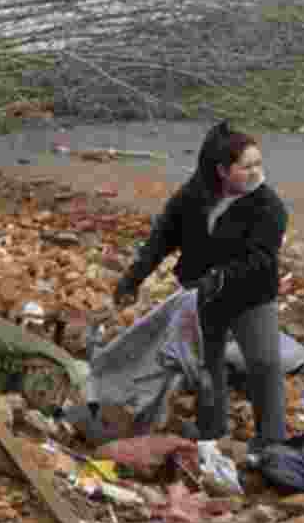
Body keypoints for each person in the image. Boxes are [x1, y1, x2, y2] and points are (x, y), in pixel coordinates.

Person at [113, 121, 289, 458]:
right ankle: (211, 433)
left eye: (259, 164)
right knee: (208, 366)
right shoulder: (195, 195)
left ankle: (272, 440)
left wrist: (220, 278)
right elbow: (162, 237)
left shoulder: (268, 206)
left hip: (250, 297)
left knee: (265, 363)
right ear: (221, 170)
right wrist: (133, 279)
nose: (257, 173)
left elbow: (262, 258)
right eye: (247, 166)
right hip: (202, 298)